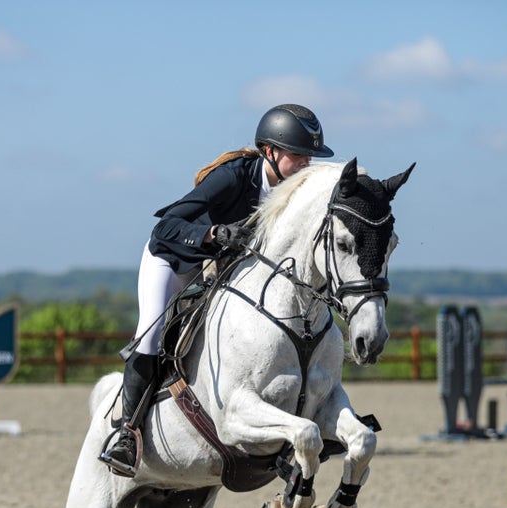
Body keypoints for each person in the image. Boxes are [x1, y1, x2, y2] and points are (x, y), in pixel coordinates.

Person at [100, 104, 335, 476]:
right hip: (175, 259)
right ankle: (126, 434)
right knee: (151, 335)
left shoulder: (297, 192)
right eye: (299, 155)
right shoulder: (234, 177)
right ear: (270, 152)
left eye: (310, 156)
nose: (306, 164)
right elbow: (167, 225)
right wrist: (213, 233)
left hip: (224, 268)